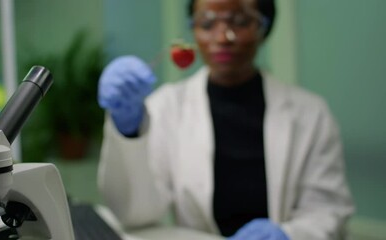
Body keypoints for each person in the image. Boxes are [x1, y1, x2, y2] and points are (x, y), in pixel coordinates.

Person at [97, 0, 354, 239]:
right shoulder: (165, 107)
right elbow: (136, 214)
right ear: (193, 31)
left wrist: (289, 234)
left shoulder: (311, 114)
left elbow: (328, 210)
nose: (222, 38)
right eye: (207, 24)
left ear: (263, 28)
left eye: (240, 21)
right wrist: (128, 129)